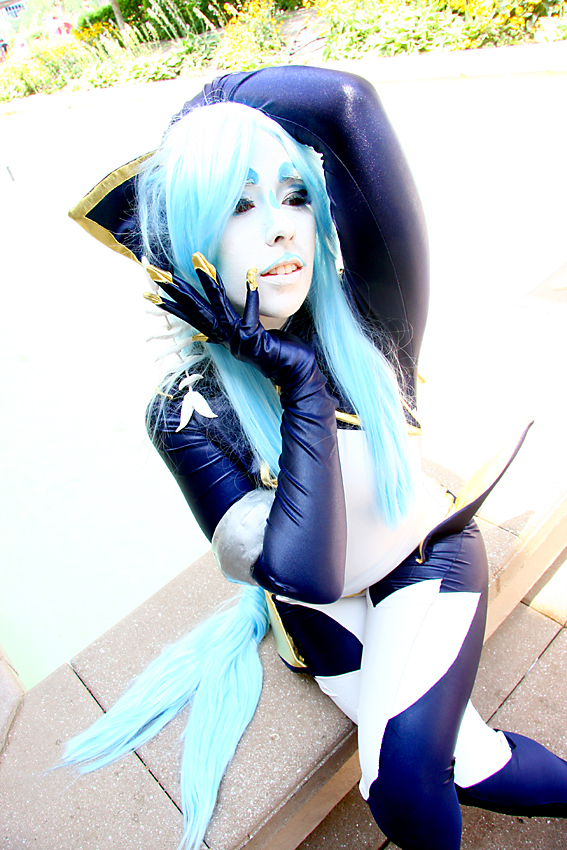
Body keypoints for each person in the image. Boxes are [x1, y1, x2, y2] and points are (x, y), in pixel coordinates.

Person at [63, 66, 567, 850]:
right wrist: (296, 385)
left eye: (295, 194)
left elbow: (345, 104)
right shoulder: (185, 410)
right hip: (319, 614)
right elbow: (306, 576)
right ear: (185, 240)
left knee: (403, 785)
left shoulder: (365, 315)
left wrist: (212, 102)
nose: (281, 228)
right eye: (238, 204)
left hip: (421, 554)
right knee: (465, 763)